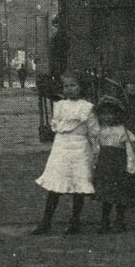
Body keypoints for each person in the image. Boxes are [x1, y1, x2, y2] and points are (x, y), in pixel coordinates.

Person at [33, 75, 98, 235]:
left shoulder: (87, 107)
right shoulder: (60, 105)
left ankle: (75, 221)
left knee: (78, 184)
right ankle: (46, 221)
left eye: (73, 85)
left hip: (80, 147)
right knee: (55, 183)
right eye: (66, 86)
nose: (69, 89)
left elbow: (94, 131)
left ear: (81, 87)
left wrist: (96, 150)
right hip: (61, 146)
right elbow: (57, 124)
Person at [93, 96, 135, 233]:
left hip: (119, 167)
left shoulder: (123, 132)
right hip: (105, 167)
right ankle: (104, 221)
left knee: (121, 196)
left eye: (111, 113)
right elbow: (96, 149)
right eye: (104, 114)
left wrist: (131, 167)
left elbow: (130, 151)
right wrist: (94, 164)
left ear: (118, 114)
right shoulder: (100, 131)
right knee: (106, 196)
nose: (107, 117)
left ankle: (119, 220)